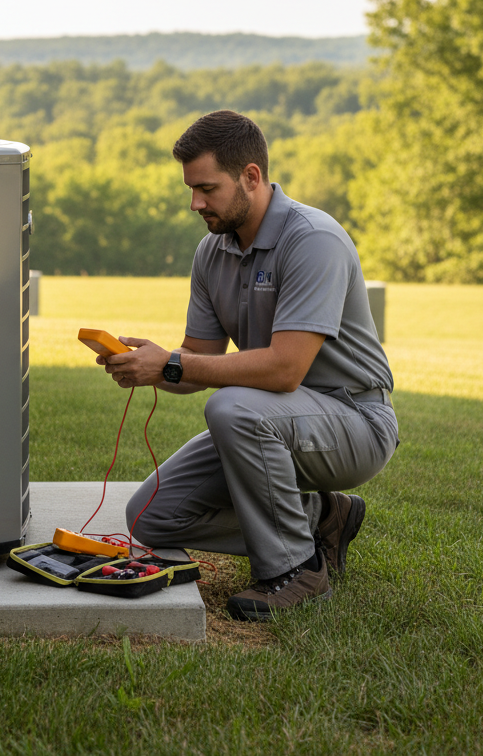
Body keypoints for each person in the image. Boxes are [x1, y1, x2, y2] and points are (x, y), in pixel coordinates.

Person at [98, 110, 399, 620]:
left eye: (207, 189)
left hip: (355, 421)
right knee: (151, 517)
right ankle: (323, 516)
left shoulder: (313, 239)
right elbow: (199, 361)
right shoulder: (211, 251)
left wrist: (172, 364)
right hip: (271, 419)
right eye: (191, 189)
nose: (195, 203)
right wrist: (149, 363)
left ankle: (297, 570)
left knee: (234, 406)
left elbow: (284, 371)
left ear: (251, 177)